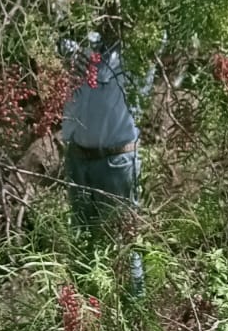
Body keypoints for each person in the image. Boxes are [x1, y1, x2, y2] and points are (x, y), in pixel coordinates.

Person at [60, 34, 156, 296]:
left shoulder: (133, 51)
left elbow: (151, 46)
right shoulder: (79, 46)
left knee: (125, 236)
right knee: (82, 235)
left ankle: (136, 305)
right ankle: (87, 306)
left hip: (116, 161)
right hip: (78, 158)